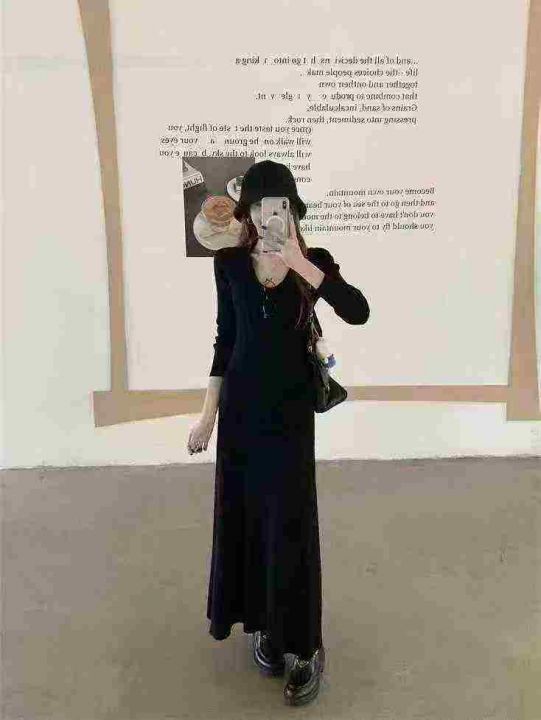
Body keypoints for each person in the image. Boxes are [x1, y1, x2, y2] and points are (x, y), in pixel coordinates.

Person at [187, 160, 370, 705]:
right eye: (263, 206)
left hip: (290, 417)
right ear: (249, 213)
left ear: (293, 210)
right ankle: (266, 625)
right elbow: (225, 342)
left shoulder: (314, 263)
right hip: (241, 416)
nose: (272, 214)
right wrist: (207, 415)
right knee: (249, 520)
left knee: (291, 523)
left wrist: (299, 264)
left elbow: (358, 311)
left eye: (281, 205)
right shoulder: (228, 265)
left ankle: (306, 645)